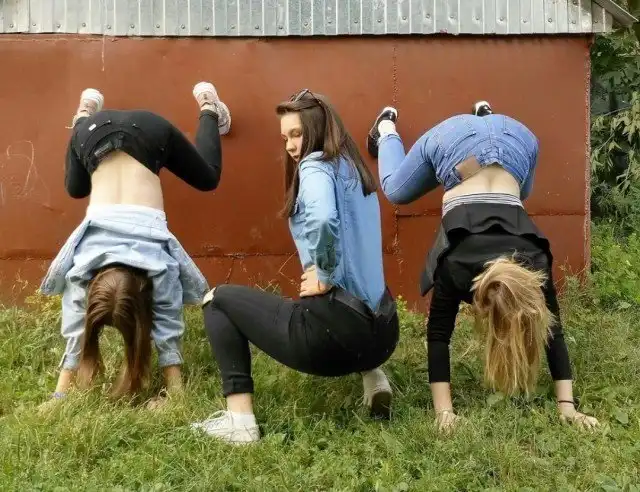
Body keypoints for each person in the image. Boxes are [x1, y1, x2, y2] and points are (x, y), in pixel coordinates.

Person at [365, 100, 599, 432]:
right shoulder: (456, 265)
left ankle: (484, 117)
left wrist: (568, 408)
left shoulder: (534, 267)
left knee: (518, 190)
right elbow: (438, 335)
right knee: (395, 190)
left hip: (513, 136)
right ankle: (386, 128)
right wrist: (443, 413)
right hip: (465, 144)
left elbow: (552, 332)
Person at [191, 89, 400, 444]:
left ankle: (239, 421)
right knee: (358, 290)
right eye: (285, 137)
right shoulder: (353, 169)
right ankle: (374, 377)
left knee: (217, 300)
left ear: (316, 130)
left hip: (333, 339)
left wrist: (325, 273)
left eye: (297, 134)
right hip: (383, 332)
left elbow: (322, 219)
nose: (289, 145)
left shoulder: (314, 166)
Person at [39, 82, 231, 408]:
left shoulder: (156, 265)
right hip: (119, 132)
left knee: (208, 178)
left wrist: (60, 395)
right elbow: (160, 323)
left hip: (124, 133)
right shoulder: (83, 267)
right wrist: (174, 393)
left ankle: (209, 107)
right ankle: (83, 115)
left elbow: (77, 326)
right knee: (76, 188)